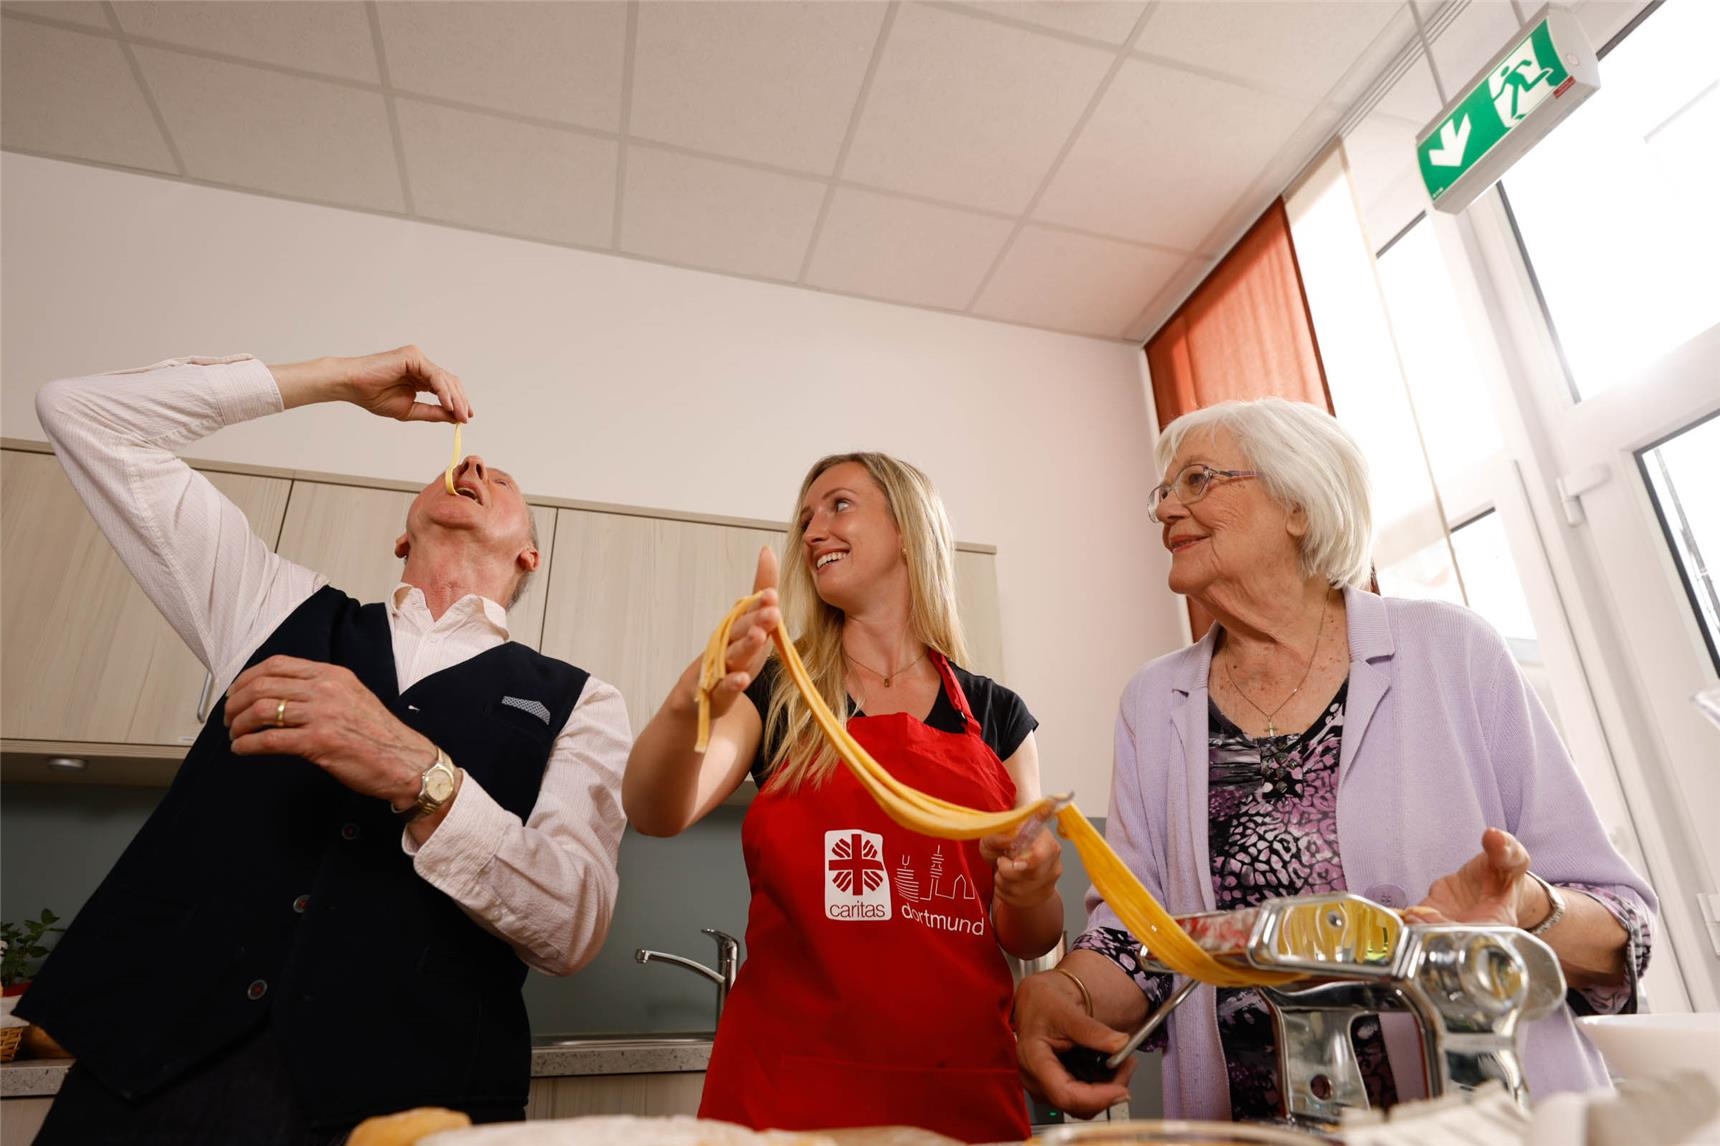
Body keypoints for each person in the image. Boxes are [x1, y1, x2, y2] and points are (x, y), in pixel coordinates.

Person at [21, 348, 631, 1144]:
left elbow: (571, 922)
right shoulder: (268, 604)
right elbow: (81, 411)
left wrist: (423, 775)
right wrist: (333, 383)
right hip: (147, 1077)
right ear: (399, 538)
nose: (475, 462)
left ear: (529, 557)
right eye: (469, 462)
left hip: (405, 1107)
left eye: (503, 479)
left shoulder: (585, 701)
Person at [1013, 397, 1655, 1123]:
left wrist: (1528, 912)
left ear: (1299, 504)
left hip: (1484, 1124)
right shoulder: (1154, 700)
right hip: (1258, 1131)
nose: (1165, 510)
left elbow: (1622, 928)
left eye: (1197, 481)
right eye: (1164, 490)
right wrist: (1066, 992)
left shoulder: (1452, 651)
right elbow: (1140, 940)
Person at [623, 452, 1062, 1143]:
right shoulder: (780, 689)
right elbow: (656, 811)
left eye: (838, 505)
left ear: (908, 527)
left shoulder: (997, 714)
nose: (812, 531)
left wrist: (1032, 887)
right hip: (788, 1092)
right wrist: (690, 705)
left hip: (960, 1089)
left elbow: (1029, 935)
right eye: (804, 519)